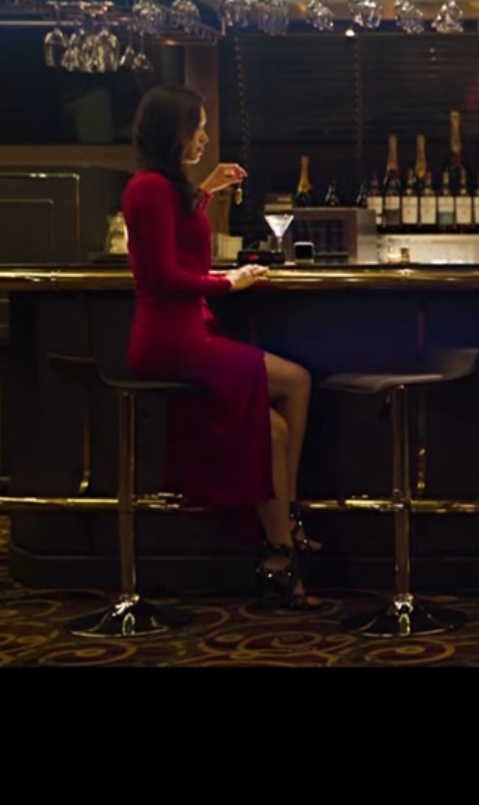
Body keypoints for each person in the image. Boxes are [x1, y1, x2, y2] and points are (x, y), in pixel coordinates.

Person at [123, 85, 318, 609]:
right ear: (173, 131)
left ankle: (281, 547)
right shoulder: (148, 188)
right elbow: (164, 275)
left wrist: (207, 191)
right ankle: (287, 531)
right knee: (294, 383)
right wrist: (229, 283)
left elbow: (180, 234)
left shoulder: (164, 188)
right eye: (199, 126)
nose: (205, 137)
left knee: (275, 426)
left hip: (190, 332)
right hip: (170, 340)